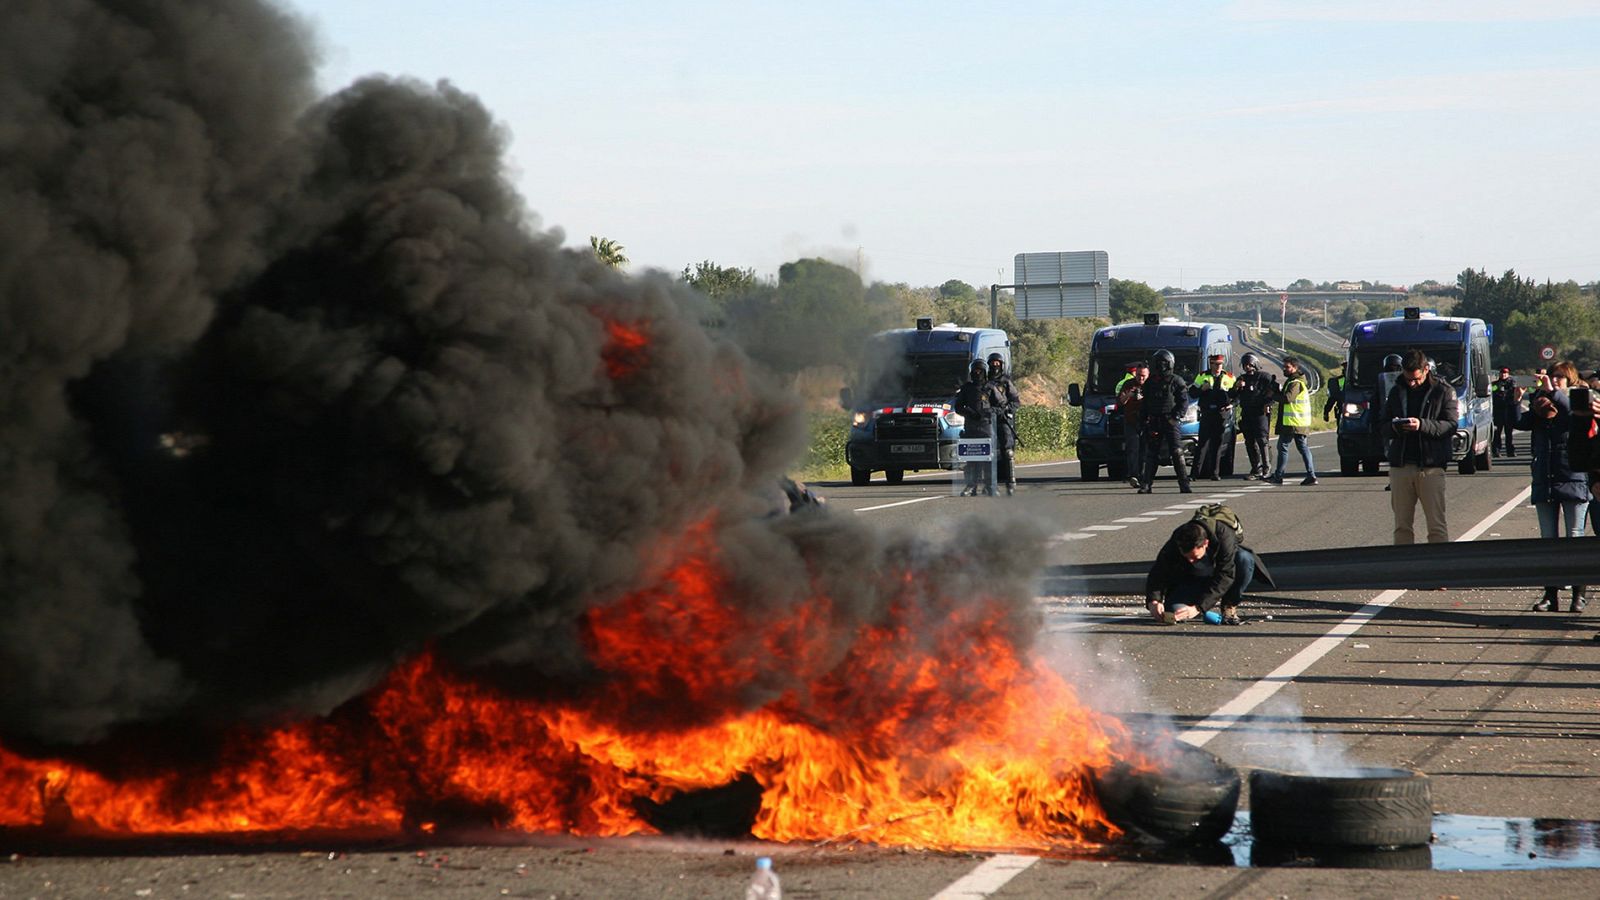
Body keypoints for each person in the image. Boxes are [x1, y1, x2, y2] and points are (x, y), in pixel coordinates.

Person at [1518, 361, 1589, 612]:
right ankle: (1550, 595)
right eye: (1551, 376)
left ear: (1570, 379)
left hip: (1573, 476)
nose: (1554, 380)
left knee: (1574, 538)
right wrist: (1515, 401)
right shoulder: (1541, 401)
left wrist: (1555, 392)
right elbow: (1519, 422)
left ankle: (1578, 595)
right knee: (1548, 542)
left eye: (1560, 377)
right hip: (1545, 477)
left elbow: (1575, 415)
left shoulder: (1580, 399)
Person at [1145, 505, 1273, 626]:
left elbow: (1226, 574)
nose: (1190, 560)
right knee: (1175, 612)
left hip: (1223, 573)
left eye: (1194, 557)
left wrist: (1198, 607)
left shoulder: (1224, 535)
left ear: (1205, 543)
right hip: (1193, 578)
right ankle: (1198, 599)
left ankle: (1229, 604)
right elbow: (1159, 570)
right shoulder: (1179, 537)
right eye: (1187, 557)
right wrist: (1154, 600)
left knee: (1244, 559)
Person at [1381, 348, 1458, 544]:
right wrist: (1395, 426)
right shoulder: (1396, 390)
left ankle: (1438, 567)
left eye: (1416, 379)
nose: (1412, 383)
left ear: (1426, 370)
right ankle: (1405, 569)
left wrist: (1422, 425)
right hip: (1401, 466)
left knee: (1436, 525)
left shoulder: (1444, 391)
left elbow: (1450, 425)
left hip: (1431, 466)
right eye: (1408, 379)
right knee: (1401, 526)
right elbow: (1380, 424)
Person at [1136, 349, 1193, 494]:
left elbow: (1183, 402)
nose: (1161, 366)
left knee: (1177, 452)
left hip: (1170, 421)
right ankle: (1146, 484)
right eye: (1158, 363)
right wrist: (1142, 420)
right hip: (1154, 421)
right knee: (1151, 453)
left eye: (1164, 363)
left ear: (1170, 364)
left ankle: (1184, 484)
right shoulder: (1150, 382)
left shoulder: (1176, 380)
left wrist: (1176, 417)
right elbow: (1144, 403)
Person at [1268, 357, 1317, 486]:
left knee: (1283, 447)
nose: (1284, 369)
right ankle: (1311, 475)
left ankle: (1279, 476)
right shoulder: (1295, 381)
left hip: (1293, 422)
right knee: (1302, 448)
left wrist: (1273, 395)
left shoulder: (1295, 382)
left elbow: (1288, 398)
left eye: (1287, 367)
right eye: (1284, 367)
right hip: (1297, 422)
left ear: (1295, 368)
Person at [1191, 353, 1236, 480]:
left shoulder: (1229, 377)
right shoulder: (1202, 376)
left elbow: (1236, 395)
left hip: (1221, 414)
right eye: (1216, 364)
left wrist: (1232, 404)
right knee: (1202, 444)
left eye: (1220, 364)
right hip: (1207, 413)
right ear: (1210, 364)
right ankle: (1195, 474)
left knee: (1217, 444)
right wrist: (1202, 390)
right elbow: (1193, 393)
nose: (1218, 367)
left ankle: (1215, 473)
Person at [954, 358, 996, 496]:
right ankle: (971, 486)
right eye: (975, 371)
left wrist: (989, 412)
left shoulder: (991, 387)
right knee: (972, 459)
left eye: (980, 371)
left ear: (985, 372)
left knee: (988, 459)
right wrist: (970, 413)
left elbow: (1001, 405)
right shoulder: (966, 388)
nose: (977, 373)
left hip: (987, 427)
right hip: (971, 427)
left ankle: (990, 486)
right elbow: (958, 407)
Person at [1231, 352, 1274, 480]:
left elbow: (1273, 392)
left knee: (1262, 440)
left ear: (1255, 364)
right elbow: (1232, 396)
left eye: (1249, 364)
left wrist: (1268, 403)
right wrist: (1236, 387)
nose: (1247, 367)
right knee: (1249, 442)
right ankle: (1256, 468)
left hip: (1260, 413)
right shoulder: (1241, 379)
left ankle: (1267, 467)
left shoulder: (1264, 377)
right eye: (1245, 365)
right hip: (1247, 413)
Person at [986, 353, 1021, 496]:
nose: (995, 366)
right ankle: (990, 484)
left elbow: (1015, 401)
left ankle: (1011, 483)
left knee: (1008, 452)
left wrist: (1006, 409)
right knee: (989, 452)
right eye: (992, 363)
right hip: (987, 420)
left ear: (1001, 365)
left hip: (1003, 420)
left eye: (997, 363)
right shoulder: (984, 382)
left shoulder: (1006, 382)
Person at [1116, 363, 1150, 489]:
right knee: (1133, 449)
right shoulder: (1128, 384)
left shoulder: (1151, 384)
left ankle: (1144, 475)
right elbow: (1120, 402)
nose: (1141, 379)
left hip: (1147, 422)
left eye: (1143, 376)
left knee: (1146, 450)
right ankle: (1133, 474)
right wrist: (1129, 395)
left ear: (1148, 375)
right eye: (1139, 376)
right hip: (1132, 421)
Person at [1490, 367, 1522, 457]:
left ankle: (1510, 451)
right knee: (1497, 433)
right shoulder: (1495, 384)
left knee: (1509, 433)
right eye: (1502, 373)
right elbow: (1492, 391)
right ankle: (1496, 450)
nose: (1503, 375)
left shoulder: (1513, 383)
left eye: (1505, 373)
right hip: (1498, 411)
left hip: (1509, 410)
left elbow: (1516, 393)